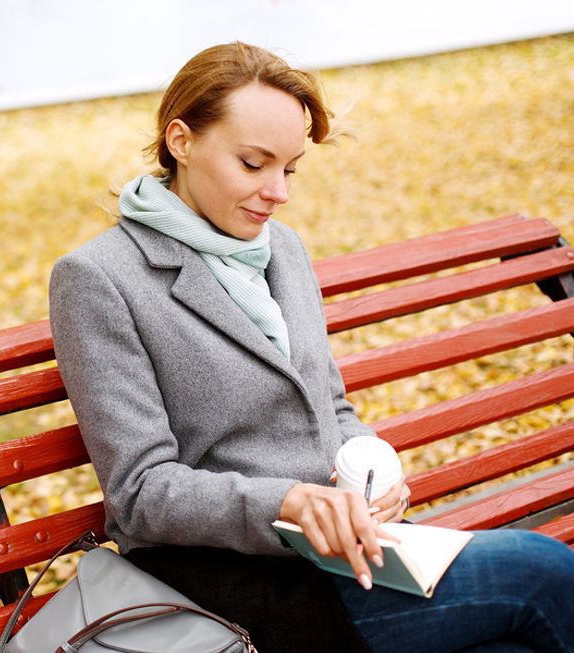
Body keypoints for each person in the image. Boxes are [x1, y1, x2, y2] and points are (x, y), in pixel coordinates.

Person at [48, 42, 574, 652]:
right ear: (181, 142)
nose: (278, 192)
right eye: (253, 164)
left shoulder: (283, 249)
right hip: (234, 586)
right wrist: (291, 503)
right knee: (540, 571)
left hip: (347, 556)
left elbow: (329, 403)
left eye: (290, 168)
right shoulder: (98, 278)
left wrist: (373, 477)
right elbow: (140, 492)